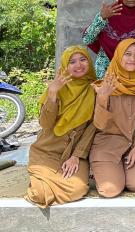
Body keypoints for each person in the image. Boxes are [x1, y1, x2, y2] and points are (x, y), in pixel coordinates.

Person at [26, 46, 97, 207]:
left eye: (83, 59)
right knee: (38, 194)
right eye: (72, 62)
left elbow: (92, 128)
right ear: (65, 65)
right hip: (47, 151)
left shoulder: (94, 89)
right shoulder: (56, 87)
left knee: (78, 189)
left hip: (74, 153)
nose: (78, 65)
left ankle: (46, 184)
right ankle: (42, 183)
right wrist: (52, 94)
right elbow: (45, 124)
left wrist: (77, 156)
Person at [90, 39, 135, 197]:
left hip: (134, 145)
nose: (132, 59)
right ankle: (101, 170)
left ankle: (118, 172)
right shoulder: (105, 85)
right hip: (108, 145)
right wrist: (103, 99)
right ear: (118, 55)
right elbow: (99, 125)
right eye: (128, 54)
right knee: (110, 189)